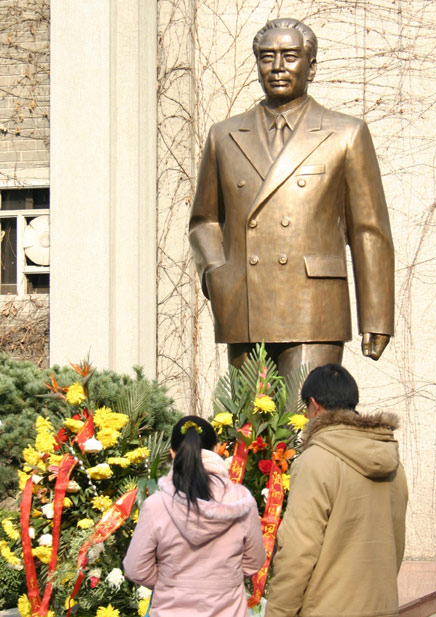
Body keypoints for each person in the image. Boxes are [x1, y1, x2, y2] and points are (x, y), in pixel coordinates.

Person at [189, 18, 394, 376]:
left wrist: (376, 313)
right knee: (246, 427)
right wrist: (216, 274)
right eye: (267, 57)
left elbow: (367, 229)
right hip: (245, 302)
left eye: (290, 56)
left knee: (302, 424)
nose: (278, 67)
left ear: (311, 66)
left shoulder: (346, 133)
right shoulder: (223, 136)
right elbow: (204, 221)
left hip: (313, 304)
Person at [265, 364, 408, 617]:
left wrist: (278, 612)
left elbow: (298, 551)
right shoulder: (394, 464)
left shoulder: (315, 461)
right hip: (383, 606)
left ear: (314, 405)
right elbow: (395, 542)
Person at [123, 415, 266, 616]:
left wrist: (172, 583)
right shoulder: (242, 504)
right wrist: (223, 580)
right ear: (216, 449)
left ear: (173, 453)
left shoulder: (156, 506)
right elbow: (255, 560)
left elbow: (135, 568)